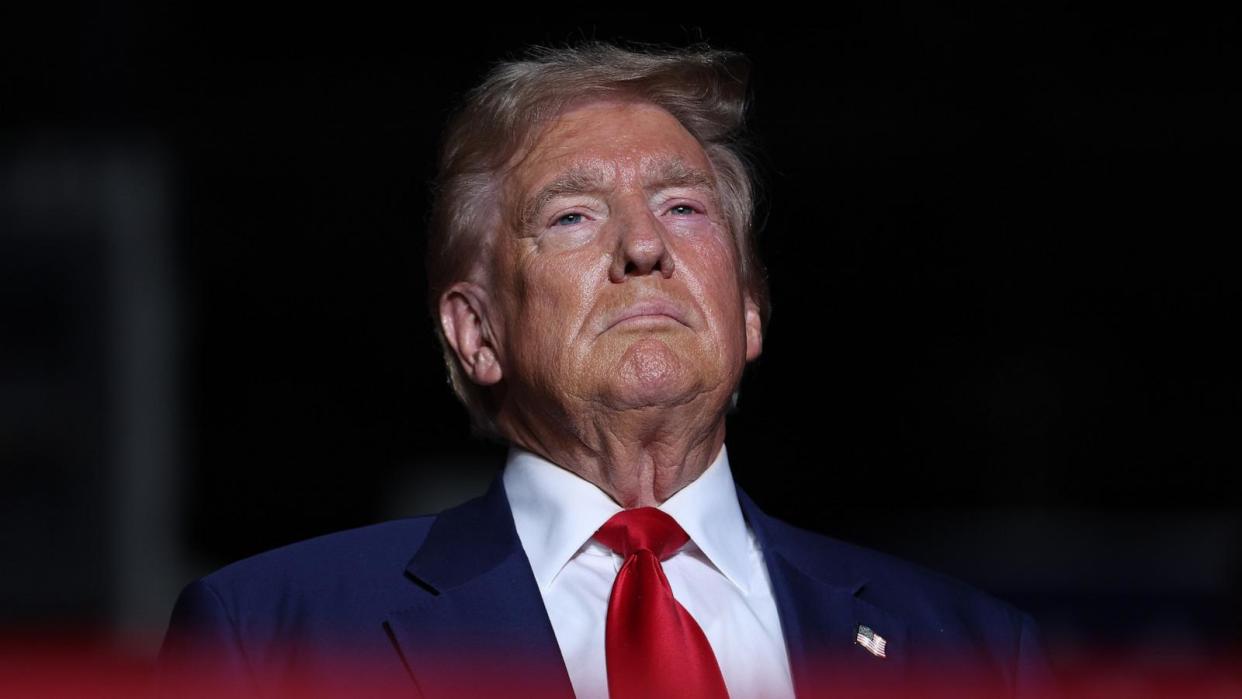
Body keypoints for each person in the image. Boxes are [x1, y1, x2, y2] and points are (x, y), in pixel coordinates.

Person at [160, 43, 1053, 699]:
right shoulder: (273, 636)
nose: (642, 245)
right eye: (575, 216)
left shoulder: (974, 655)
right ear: (477, 331)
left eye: (683, 206)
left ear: (748, 309)